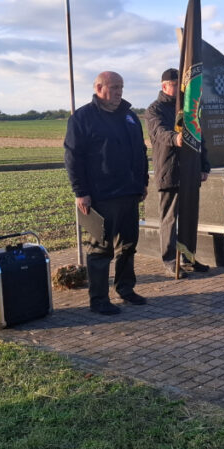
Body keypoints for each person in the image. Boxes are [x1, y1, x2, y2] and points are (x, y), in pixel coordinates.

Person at [64, 71, 149, 314]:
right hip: (101, 196)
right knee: (101, 249)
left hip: (129, 193)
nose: (119, 92)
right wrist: (80, 192)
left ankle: (125, 288)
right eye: (114, 87)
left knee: (128, 245)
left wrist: (142, 182)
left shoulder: (129, 116)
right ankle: (99, 300)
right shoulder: (82, 118)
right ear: (99, 88)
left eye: (121, 87)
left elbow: (141, 152)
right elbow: (73, 157)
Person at [145, 68, 211, 278]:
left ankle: (187, 257)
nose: (179, 89)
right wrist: (176, 138)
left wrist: (204, 166)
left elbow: (200, 136)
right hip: (170, 170)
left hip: (190, 171)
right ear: (164, 86)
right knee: (169, 219)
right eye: (174, 85)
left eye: (179, 85)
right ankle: (170, 260)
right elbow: (159, 132)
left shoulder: (188, 108)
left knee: (189, 216)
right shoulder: (154, 110)